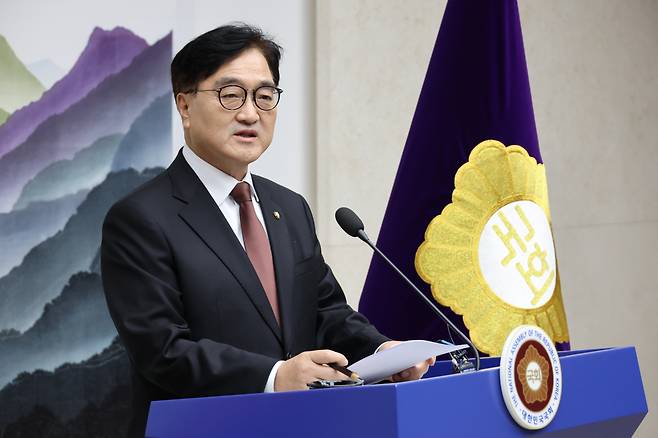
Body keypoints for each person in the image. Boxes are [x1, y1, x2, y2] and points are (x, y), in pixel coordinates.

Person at [101, 23, 434, 437]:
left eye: (264, 96)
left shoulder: (289, 207)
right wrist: (275, 376)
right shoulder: (141, 218)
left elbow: (325, 311)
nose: (250, 113)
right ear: (184, 105)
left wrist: (382, 351)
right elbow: (162, 350)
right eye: (230, 94)